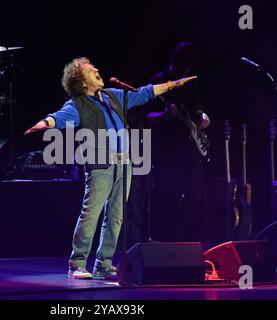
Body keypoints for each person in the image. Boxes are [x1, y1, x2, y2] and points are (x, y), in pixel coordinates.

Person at [25, 57, 196, 279]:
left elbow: (143, 93)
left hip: (123, 164)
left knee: (115, 217)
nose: (97, 69)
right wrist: (43, 124)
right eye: (90, 70)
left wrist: (173, 84)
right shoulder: (78, 104)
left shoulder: (113, 95)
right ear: (82, 82)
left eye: (94, 67)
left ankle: (104, 263)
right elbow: (58, 118)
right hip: (100, 165)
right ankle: (77, 263)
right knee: (91, 214)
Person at [147, 42, 211, 242]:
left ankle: (186, 241)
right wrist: (165, 114)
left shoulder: (190, 83)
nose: (184, 72)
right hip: (166, 153)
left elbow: (199, 112)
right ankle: (167, 243)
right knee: (167, 198)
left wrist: (204, 120)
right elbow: (147, 116)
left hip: (190, 151)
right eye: (181, 68)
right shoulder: (159, 81)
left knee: (195, 195)